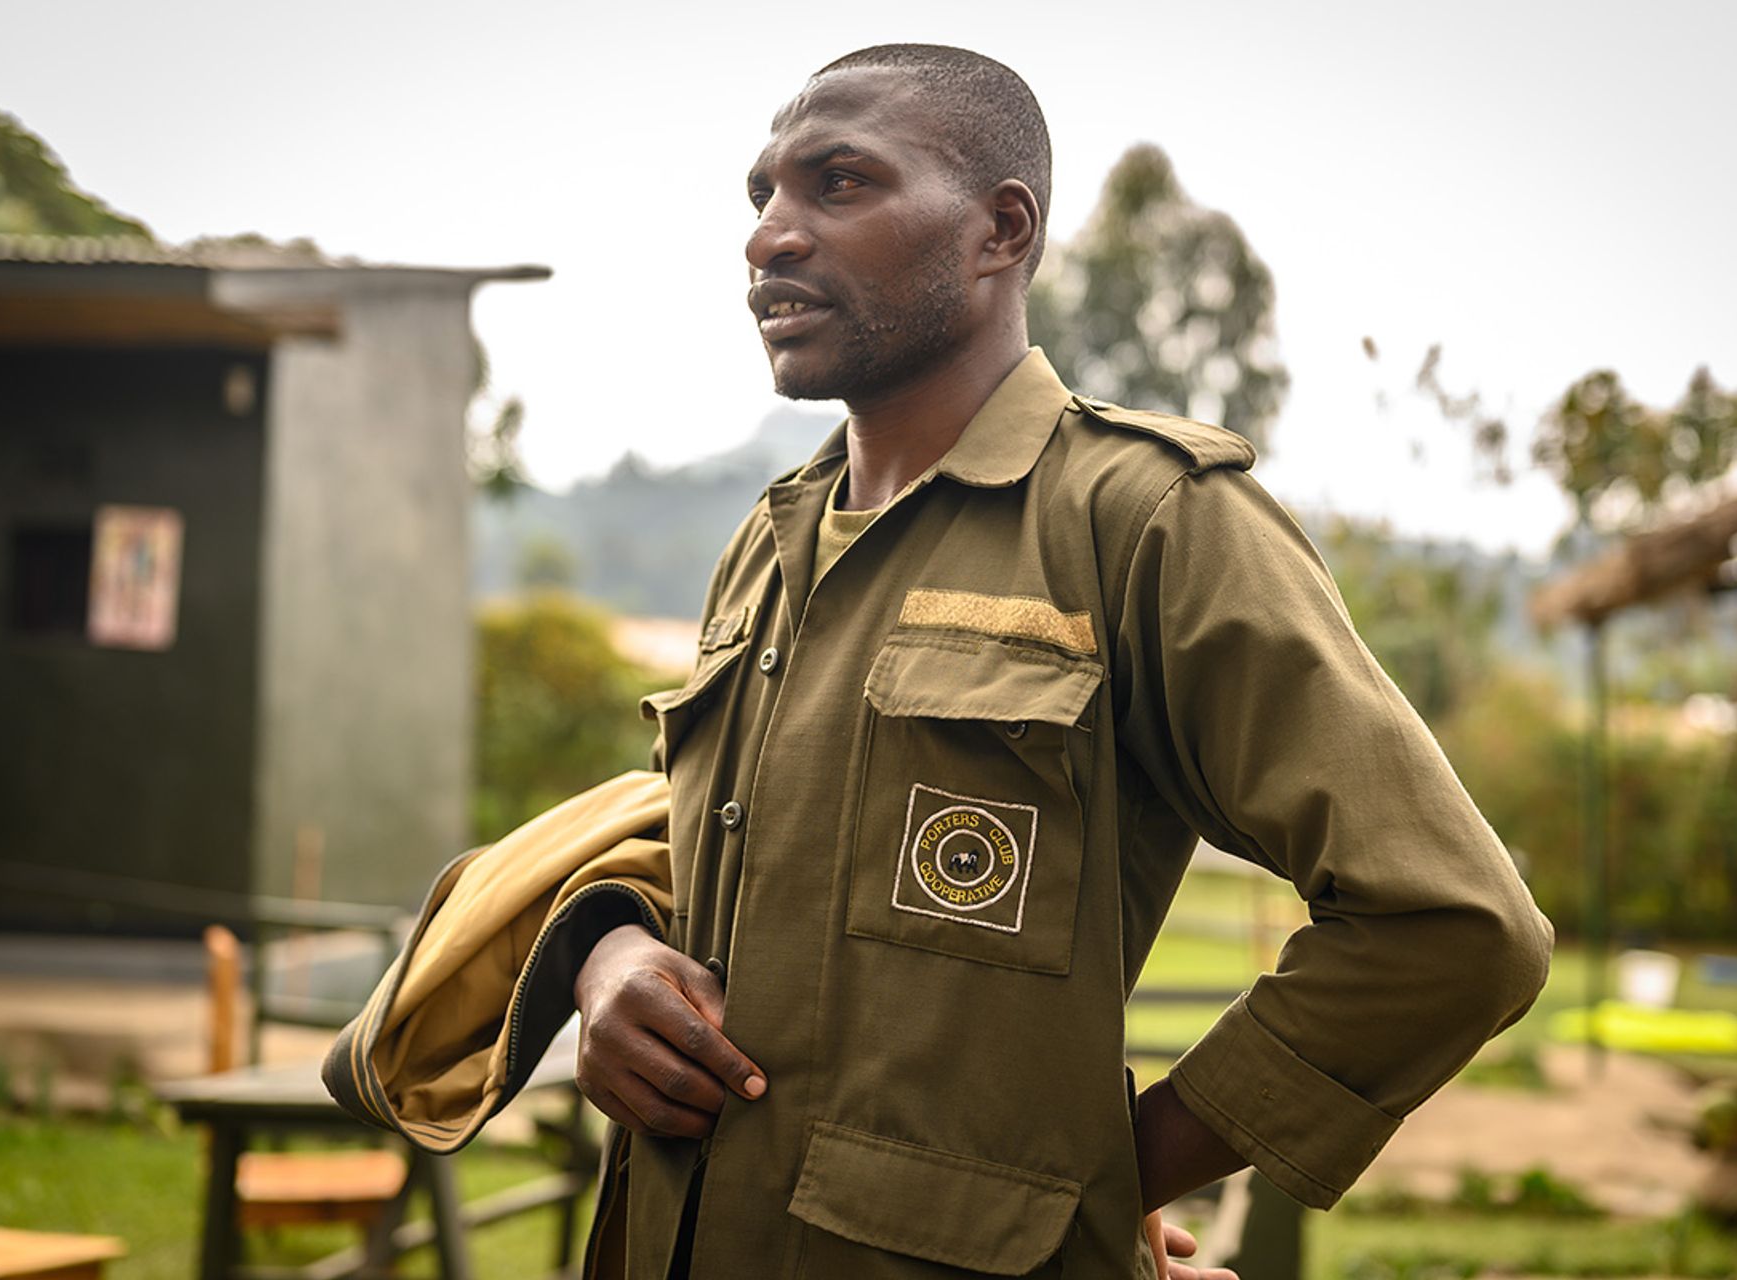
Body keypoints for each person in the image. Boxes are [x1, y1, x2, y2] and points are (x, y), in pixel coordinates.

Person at [447, 44, 1553, 1280]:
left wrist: (1108, 1176)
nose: (770, 235)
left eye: (839, 182)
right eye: (761, 194)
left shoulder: (1144, 520)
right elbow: (706, 857)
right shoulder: (767, 544)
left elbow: (1453, 923)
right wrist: (611, 958)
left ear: (1001, 229)